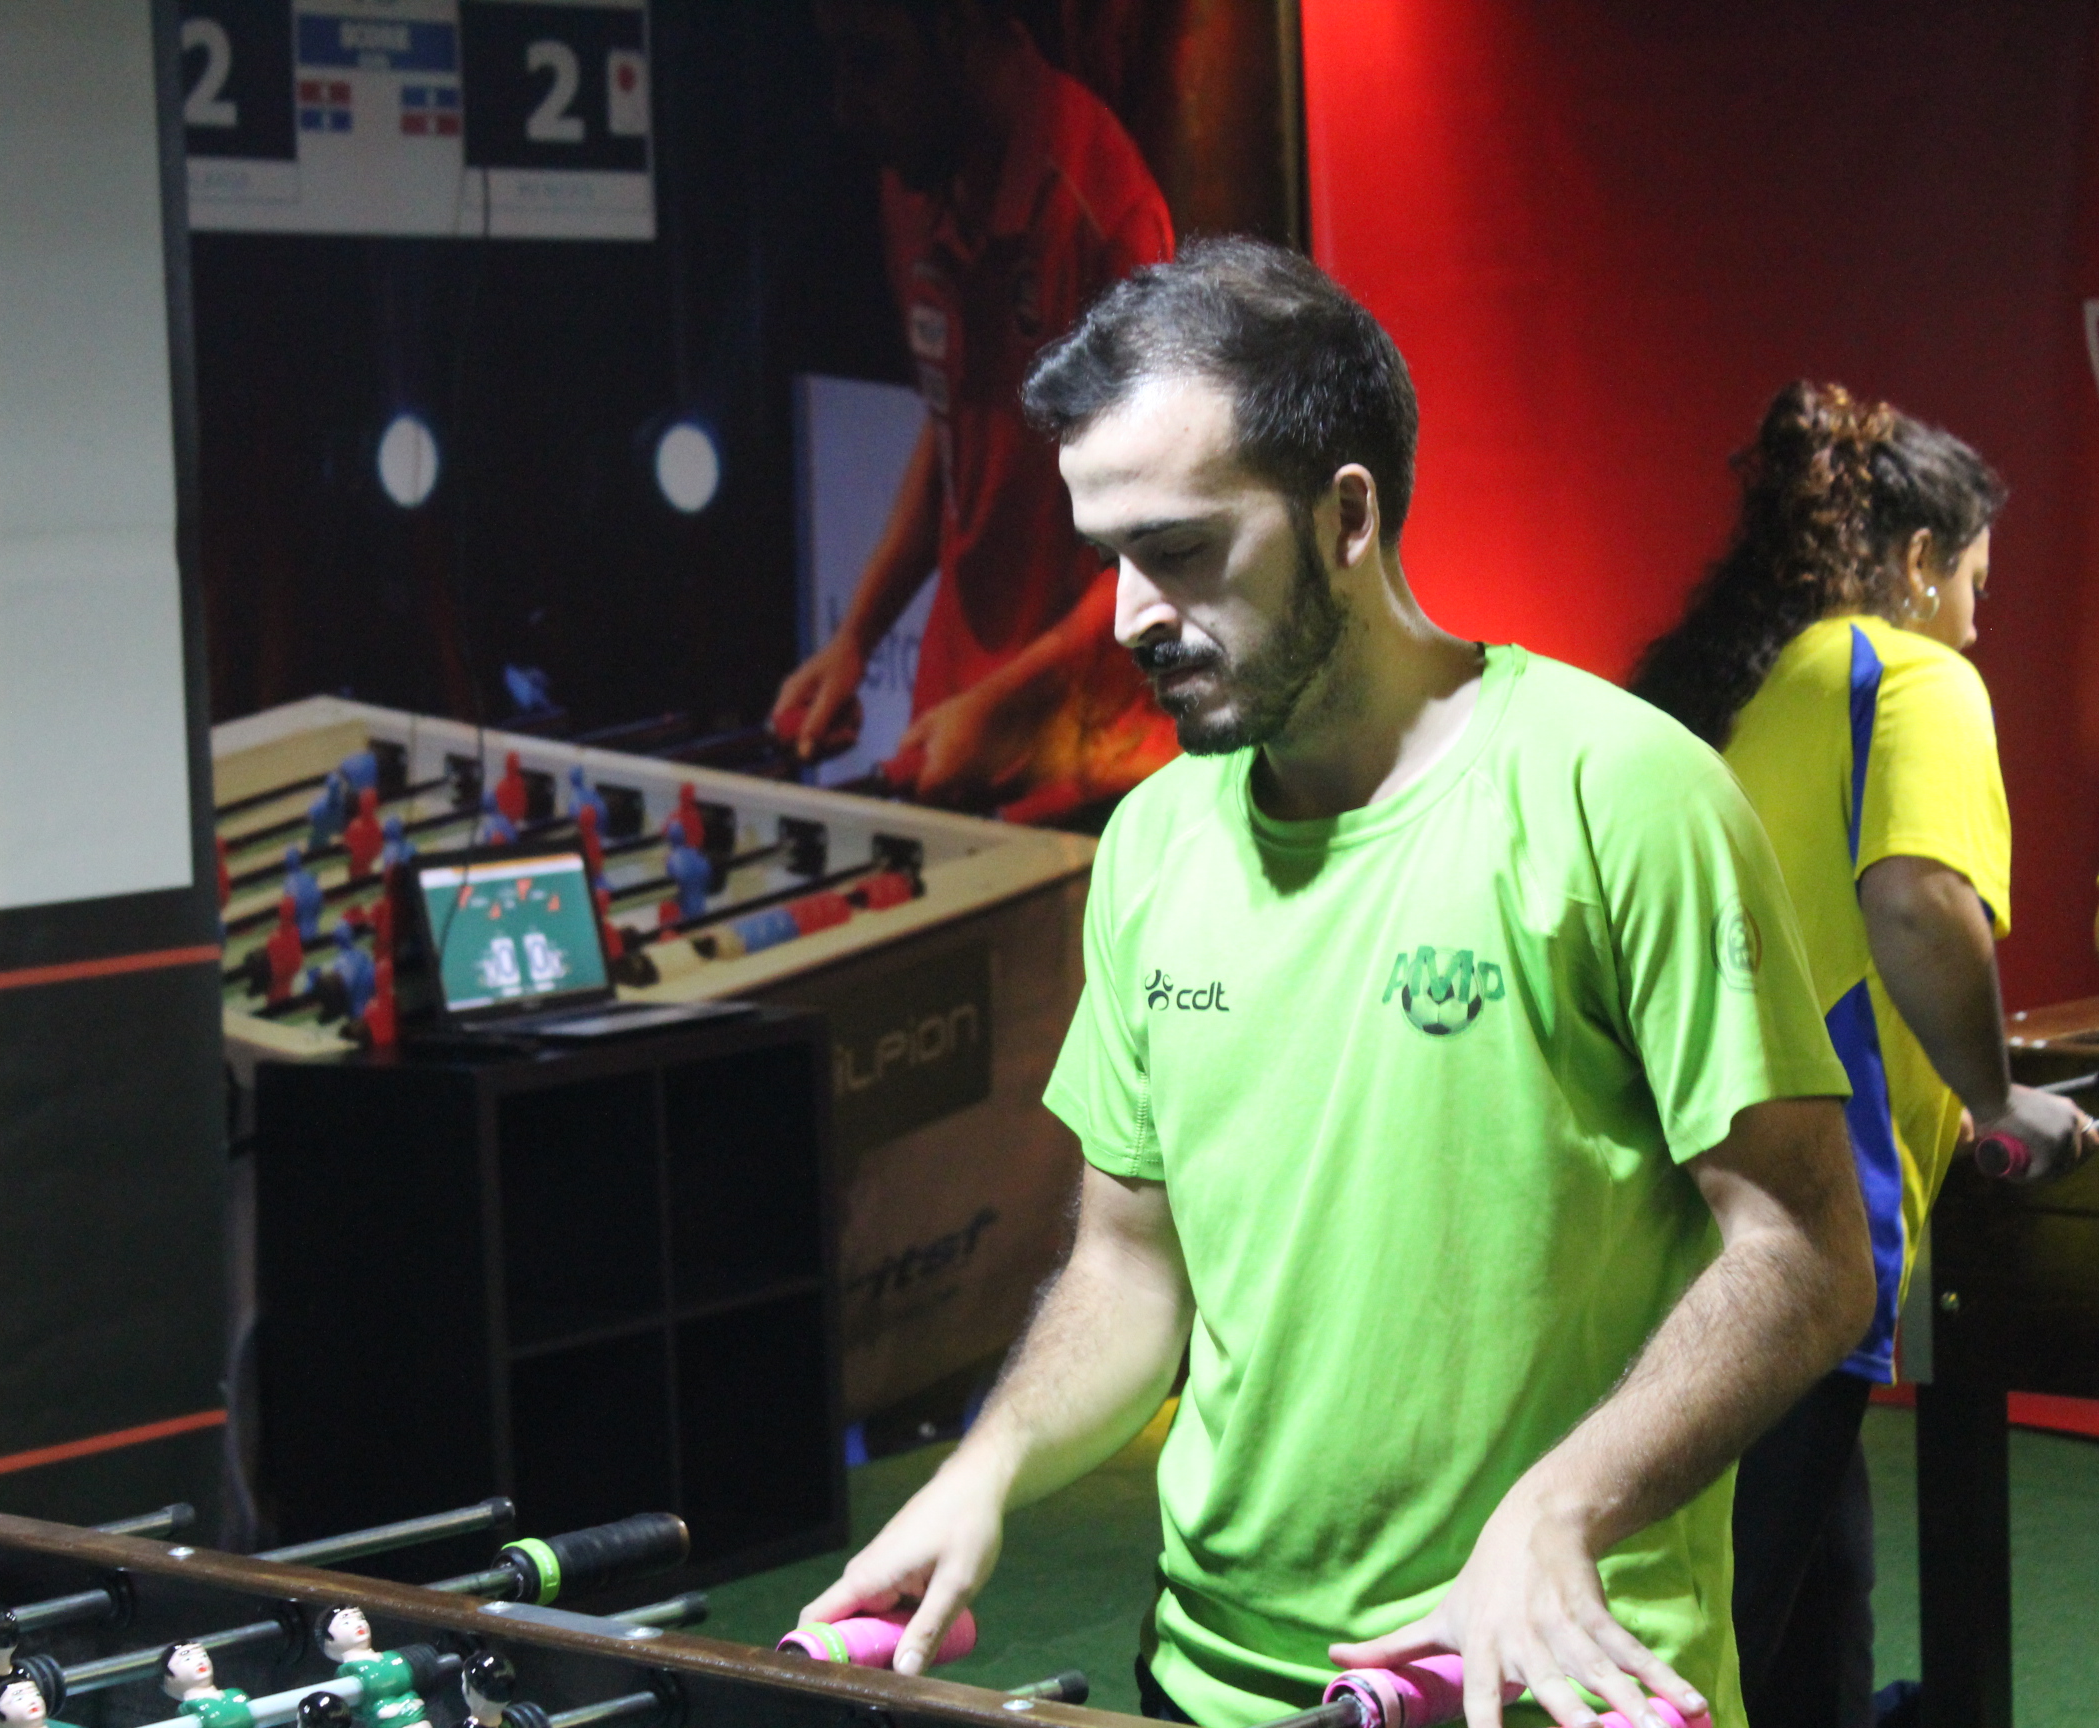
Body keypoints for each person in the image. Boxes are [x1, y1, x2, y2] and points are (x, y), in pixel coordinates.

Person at [794, 238, 1876, 1728]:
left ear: (1347, 515)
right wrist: (985, 1467)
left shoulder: (1620, 794)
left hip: (1539, 1685)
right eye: (1110, 559)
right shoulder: (1153, 842)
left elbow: (1807, 1252)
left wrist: (1564, 1503)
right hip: (1205, 1684)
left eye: (1180, 550)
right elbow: (1130, 1269)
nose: (1129, 615)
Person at [1629, 382, 2097, 1726]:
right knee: (1720, 1643)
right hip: (1799, 1231)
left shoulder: (1752, 679)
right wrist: (2000, 1098)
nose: (1976, 622)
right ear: (1919, 559)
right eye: (1975, 585)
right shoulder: (1912, 675)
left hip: (1670, 1216)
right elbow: (1917, 898)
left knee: (1815, 1604)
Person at [771, 0, 1179, 818]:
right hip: (958, 730)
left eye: (870, 60)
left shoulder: (1103, 215)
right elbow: (956, 420)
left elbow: (1162, 545)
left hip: (1088, 763)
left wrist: (1010, 704)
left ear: (957, 31)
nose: (845, 106)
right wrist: (856, 638)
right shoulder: (915, 180)